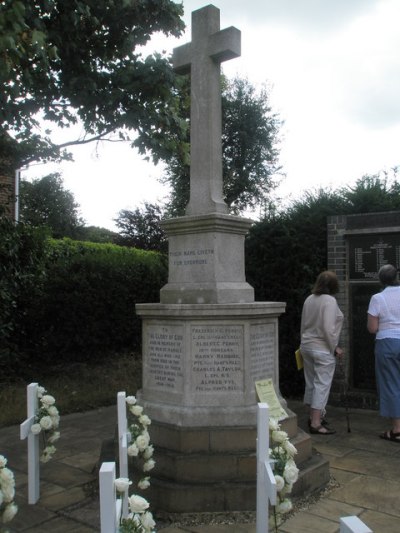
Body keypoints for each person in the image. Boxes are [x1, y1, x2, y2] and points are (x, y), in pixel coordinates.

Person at [300, 271, 344, 435]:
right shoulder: (330, 301)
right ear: (334, 285)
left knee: (311, 382)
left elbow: (303, 324)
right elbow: (327, 328)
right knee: (322, 385)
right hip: (322, 348)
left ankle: (312, 416)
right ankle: (316, 423)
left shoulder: (309, 299)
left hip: (306, 346)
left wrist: (302, 342)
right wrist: (334, 347)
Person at [367, 264, 400, 443]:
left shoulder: (378, 298)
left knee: (392, 384)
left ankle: (397, 430)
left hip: (387, 343)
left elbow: (372, 328)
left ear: (380, 279)